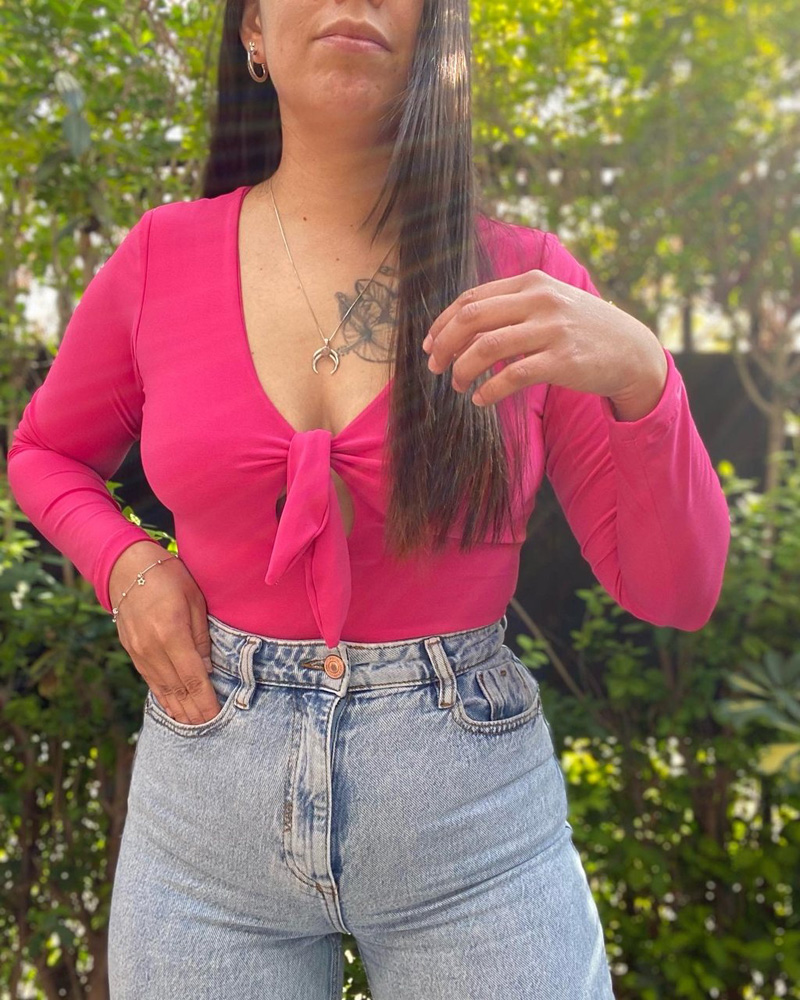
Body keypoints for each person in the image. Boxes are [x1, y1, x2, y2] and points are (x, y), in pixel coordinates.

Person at [6, 1, 731, 997]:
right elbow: (45, 452)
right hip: (203, 830)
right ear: (252, 31)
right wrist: (126, 563)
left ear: (433, 34)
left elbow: (675, 592)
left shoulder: (525, 280)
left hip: (472, 838)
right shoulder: (160, 256)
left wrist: (645, 380)